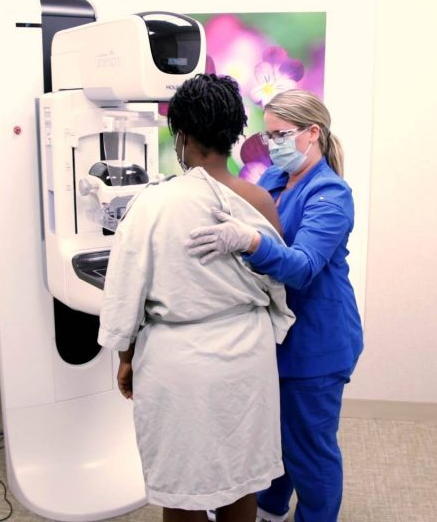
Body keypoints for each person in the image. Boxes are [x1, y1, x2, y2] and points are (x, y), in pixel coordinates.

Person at [97, 74, 295, 522]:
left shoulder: (152, 205)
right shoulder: (260, 201)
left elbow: (127, 290)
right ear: (233, 134)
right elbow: (277, 279)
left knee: (182, 486)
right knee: (240, 481)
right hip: (245, 356)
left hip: (176, 361)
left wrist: (126, 359)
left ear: (181, 136)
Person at [185, 89, 364, 522]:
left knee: (310, 451)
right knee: (274, 438)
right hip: (278, 337)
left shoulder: (331, 195)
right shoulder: (272, 182)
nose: (272, 145)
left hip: (317, 344)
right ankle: (269, 508)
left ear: (312, 134)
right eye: (267, 137)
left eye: (281, 135)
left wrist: (249, 241)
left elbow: (302, 267)